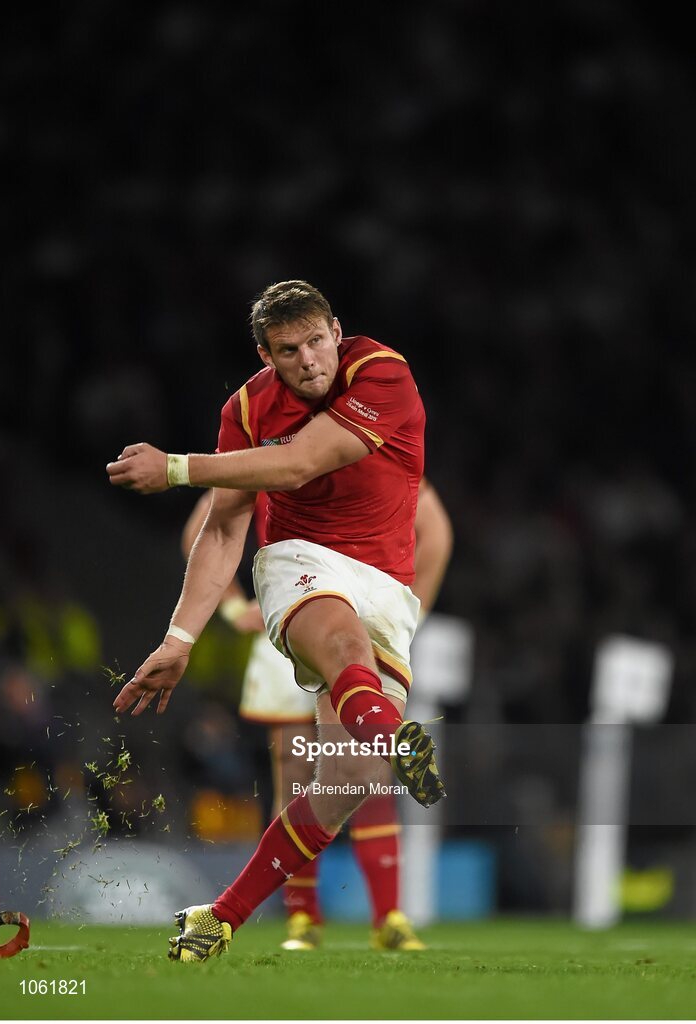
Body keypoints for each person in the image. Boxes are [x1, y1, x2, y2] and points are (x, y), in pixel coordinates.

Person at [106, 279, 447, 962]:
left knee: (348, 784)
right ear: (266, 354)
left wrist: (174, 468)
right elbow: (223, 531)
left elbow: (300, 463)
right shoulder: (248, 410)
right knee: (331, 674)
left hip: (386, 582)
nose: (309, 360)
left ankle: (221, 915)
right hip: (299, 563)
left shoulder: (381, 372)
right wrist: (181, 638)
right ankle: (396, 737)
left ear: (336, 331)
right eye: (289, 350)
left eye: (318, 341)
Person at [182, 478, 453, 951]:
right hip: (293, 607)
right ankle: (307, 918)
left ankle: (381, 915)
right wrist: (231, 609)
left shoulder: (358, 436)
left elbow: (435, 529)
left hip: (357, 612)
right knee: (301, 772)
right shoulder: (276, 445)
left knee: (355, 775)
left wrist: (412, 613)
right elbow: (208, 523)